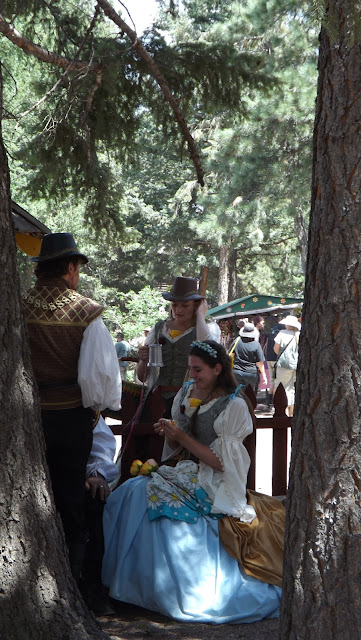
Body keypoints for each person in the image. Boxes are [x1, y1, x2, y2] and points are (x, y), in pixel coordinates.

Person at [102, 340, 284, 624]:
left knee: (151, 499)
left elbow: (221, 462)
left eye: (198, 370)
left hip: (215, 480)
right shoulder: (187, 392)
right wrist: (172, 433)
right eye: (190, 369)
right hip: (189, 469)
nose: (193, 375)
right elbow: (181, 446)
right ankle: (131, 585)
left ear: (217, 369)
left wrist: (183, 437)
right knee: (131, 490)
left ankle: (155, 590)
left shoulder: (234, 404)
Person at [23, 232, 121, 584]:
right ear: (69, 267)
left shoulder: (17, 306)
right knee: (69, 498)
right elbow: (100, 381)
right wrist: (98, 409)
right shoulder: (88, 313)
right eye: (77, 267)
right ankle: (73, 582)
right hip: (69, 421)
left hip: (24, 418)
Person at [136, 276, 220, 417]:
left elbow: (210, 354)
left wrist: (200, 316)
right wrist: (143, 360)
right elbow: (141, 377)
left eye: (185, 305)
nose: (178, 310)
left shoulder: (207, 329)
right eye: (174, 305)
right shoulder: (158, 329)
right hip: (157, 402)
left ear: (196, 305)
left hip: (192, 403)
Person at [81, 415, 119, 616]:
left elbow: (101, 445)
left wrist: (96, 474)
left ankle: (92, 589)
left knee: (95, 497)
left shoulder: (83, 404)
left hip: (74, 476)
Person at [273, 315, 301, 417]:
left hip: (283, 364)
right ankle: (292, 413)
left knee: (281, 387)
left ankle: (282, 412)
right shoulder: (299, 334)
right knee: (292, 389)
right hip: (296, 364)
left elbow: (276, 349)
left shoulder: (282, 333)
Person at [232, 322, 268, 391]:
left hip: (237, 372)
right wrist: (264, 376)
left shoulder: (237, 341)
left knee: (238, 393)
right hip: (251, 373)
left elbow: (231, 356)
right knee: (250, 395)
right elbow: (260, 363)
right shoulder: (256, 345)